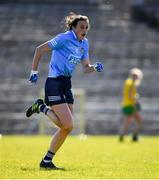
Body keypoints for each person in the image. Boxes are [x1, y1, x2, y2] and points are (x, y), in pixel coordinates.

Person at [26, 12, 103, 170]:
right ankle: (41, 107)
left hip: (66, 83)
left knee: (66, 127)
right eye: (81, 26)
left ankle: (47, 161)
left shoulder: (85, 43)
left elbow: (86, 68)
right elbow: (39, 50)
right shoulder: (64, 38)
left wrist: (94, 67)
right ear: (73, 27)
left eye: (86, 27)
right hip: (54, 82)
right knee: (68, 124)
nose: (84, 29)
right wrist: (33, 72)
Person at [119, 68, 143, 142]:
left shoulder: (128, 82)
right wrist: (135, 101)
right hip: (130, 105)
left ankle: (123, 135)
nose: (136, 77)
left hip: (126, 104)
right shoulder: (131, 83)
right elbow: (130, 95)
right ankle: (134, 136)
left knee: (128, 121)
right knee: (139, 120)